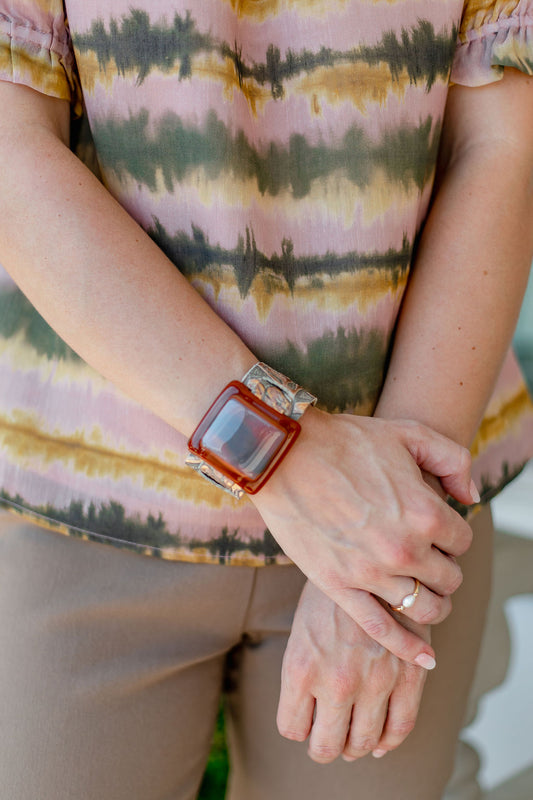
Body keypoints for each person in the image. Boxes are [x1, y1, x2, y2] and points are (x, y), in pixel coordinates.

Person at [0, 0, 532, 798]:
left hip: (413, 492)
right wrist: (296, 461)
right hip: (80, 503)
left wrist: (386, 540)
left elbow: (499, 144)